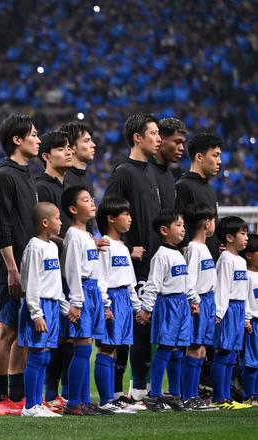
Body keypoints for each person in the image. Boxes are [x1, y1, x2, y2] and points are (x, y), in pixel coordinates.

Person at [104, 113, 162, 402]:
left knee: (143, 329)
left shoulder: (151, 171)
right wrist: (125, 250)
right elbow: (107, 212)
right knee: (129, 330)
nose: (158, 139)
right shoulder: (124, 171)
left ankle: (137, 389)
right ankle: (119, 392)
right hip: (132, 266)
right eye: (153, 133)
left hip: (151, 265)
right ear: (138, 137)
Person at [0, 114, 40, 414]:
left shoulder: (27, 174)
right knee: (7, 331)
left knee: (22, 332)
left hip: (28, 265)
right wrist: (11, 267)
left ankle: (17, 395)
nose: (38, 139)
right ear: (17, 140)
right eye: (33, 134)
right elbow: (3, 223)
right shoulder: (5, 174)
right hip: (13, 266)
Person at [137, 209, 198, 412]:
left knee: (178, 351)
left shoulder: (179, 254)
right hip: (168, 305)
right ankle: (154, 394)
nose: (183, 229)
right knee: (165, 348)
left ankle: (174, 393)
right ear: (164, 230)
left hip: (182, 304)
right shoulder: (161, 256)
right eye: (178, 225)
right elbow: (153, 284)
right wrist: (146, 308)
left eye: (183, 225)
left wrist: (193, 300)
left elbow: (186, 281)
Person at [60, 186, 110, 416]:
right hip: (81, 291)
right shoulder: (73, 235)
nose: (92, 203)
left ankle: (83, 400)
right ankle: (73, 403)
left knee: (85, 347)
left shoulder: (88, 236)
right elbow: (72, 271)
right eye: (85, 200)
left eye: (91, 199)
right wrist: (76, 302)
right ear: (73, 209)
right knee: (81, 348)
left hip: (93, 291)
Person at [35, 131, 73, 411]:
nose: (68, 152)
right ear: (47, 156)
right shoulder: (42, 187)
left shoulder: (69, 186)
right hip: (51, 270)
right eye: (61, 149)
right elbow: (42, 231)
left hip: (69, 267)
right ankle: (48, 393)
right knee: (53, 335)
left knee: (68, 334)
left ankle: (62, 392)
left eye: (69, 147)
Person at [18, 202, 67, 418]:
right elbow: (31, 282)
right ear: (45, 222)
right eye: (57, 218)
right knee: (37, 355)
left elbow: (54, 282)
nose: (61, 222)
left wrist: (63, 306)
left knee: (46, 357)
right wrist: (36, 313)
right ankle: (30, 406)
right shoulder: (34, 247)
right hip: (38, 305)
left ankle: (39, 403)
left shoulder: (52, 247)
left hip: (52, 306)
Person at [95, 196, 142, 413]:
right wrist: (105, 305)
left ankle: (113, 398)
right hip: (112, 298)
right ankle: (105, 401)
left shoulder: (122, 247)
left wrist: (136, 306)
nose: (130, 219)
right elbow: (101, 278)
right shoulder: (104, 245)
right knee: (106, 348)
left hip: (124, 298)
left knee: (115, 350)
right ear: (111, 218)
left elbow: (130, 281)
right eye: (126, 214)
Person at [210, 216, 251, 409]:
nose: (246, 238)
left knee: (232, 355)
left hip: (239, 309)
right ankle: (219, 397)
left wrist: (245, 316)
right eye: (243, 233)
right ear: (229, 237)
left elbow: (243, 291)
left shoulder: (240, 260)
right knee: (223, 352)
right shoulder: (226, 259)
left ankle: (227, 397)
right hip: (227, 309)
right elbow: (222, 288)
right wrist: (219, 313)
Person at [181, 203, 218, 410]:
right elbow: (190, 280)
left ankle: (194, 395)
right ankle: (188, 397)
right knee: (194, 349)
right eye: (213, 220)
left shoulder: (203, 247)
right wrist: (194, 301)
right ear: (206, 222)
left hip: (209, 300)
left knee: (202, 350)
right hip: (200, 301)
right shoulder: (194, 249)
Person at [175, 133, 223, 260]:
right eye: (215, 155)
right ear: (199, 157)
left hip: (211, 260)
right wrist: (185, 253)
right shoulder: (183, 186)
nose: (219, 161)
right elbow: (180, 225)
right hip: (194, 261)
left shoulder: (210, 188)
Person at [150, 118, 187, 209]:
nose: (182, 148)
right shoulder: (144, 171)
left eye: (182, 143)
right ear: (161, 140)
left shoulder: (168, 173)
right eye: (177, 142)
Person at [241, 234, 258, 405]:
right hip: (253, 323)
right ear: (249, 255)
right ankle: (249, 395)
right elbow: (245, 300)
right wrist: (246, 320)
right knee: (252, 361)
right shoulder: (246, 276)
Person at [61, 122, 95, 198]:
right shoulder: (63, 179)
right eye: (86, 141)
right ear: (72, 148)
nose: (93, 145)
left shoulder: (86, 176)